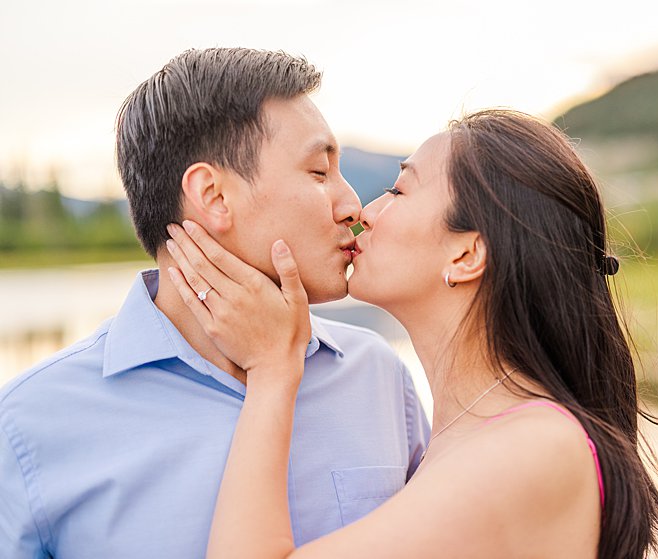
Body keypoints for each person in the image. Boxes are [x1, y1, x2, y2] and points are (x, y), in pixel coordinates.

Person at [165, 109, 658, 558]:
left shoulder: (534, 448)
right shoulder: (465, 437)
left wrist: (273, 370)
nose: (364, 212)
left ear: (466, 255)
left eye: (399, 190)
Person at [0, 48, 427, 558]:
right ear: (214, 196)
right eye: (319, 172)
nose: (352, 205)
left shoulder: (378, 375)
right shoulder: (31, 424)